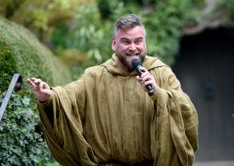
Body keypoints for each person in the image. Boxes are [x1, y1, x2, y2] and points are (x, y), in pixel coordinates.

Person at [27, 14, 199, 166]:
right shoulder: (95, 76)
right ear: (114, 44)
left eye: (138, 41)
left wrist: (159, 94)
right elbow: (69, 97)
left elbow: (185, 110)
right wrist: (48, 97)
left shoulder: (160, 72)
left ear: (145, 43)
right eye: (126, 42)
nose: (133, 48)